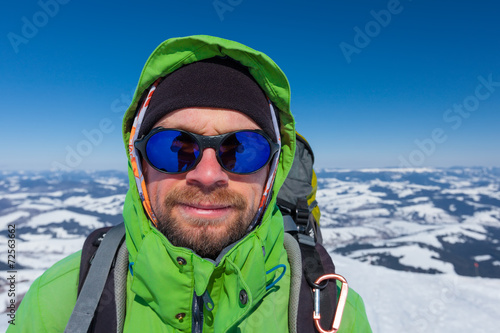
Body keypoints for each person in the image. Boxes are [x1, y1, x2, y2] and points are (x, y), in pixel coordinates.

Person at [9, 35, 372, 332]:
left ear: (272, 172)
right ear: (139, 163)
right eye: (175, 148)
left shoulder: (331, 312)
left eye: (242, 149)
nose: (208, 174)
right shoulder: (58, 305)